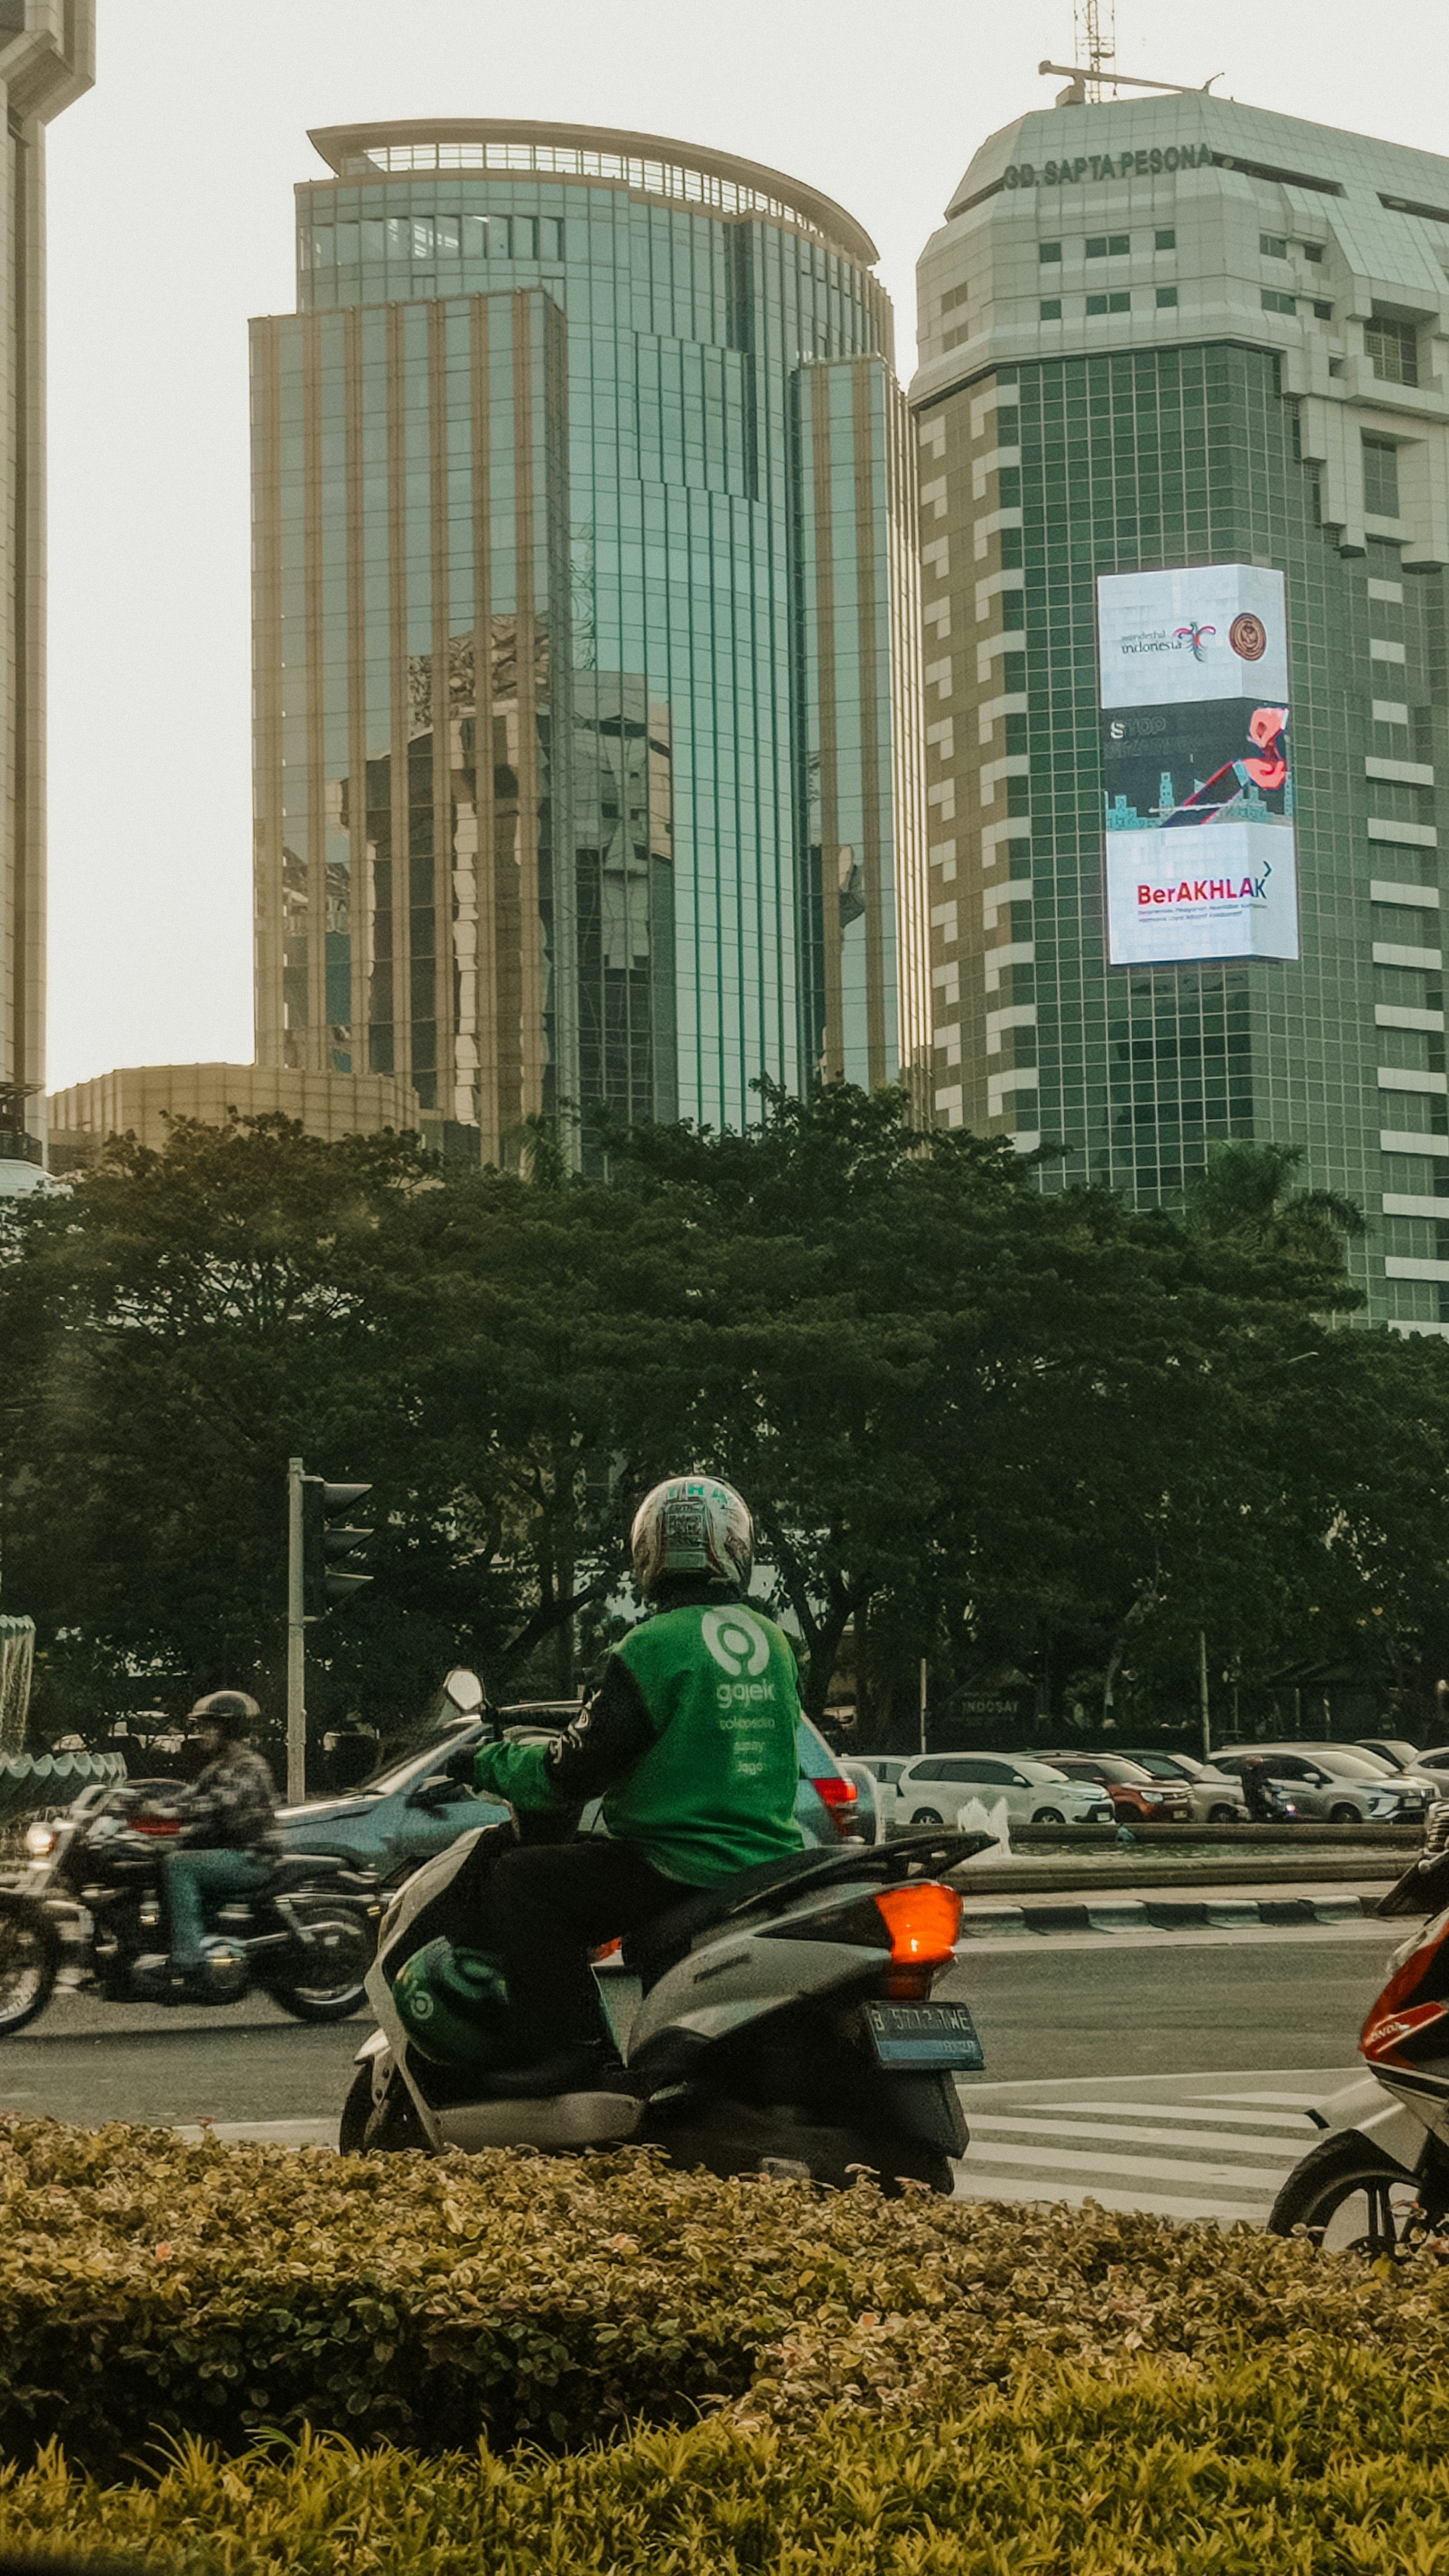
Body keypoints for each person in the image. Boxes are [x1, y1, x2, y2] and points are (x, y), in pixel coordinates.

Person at [446, 1475, 806, 2092]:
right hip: (770, 1859)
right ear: (736, 1548)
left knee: (520, 1880)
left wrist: (485, 1762)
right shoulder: (773, 1641)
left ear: (651, 1553)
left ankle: (575, 2055)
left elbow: (567, 1777)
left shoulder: (651, 1646)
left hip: (676, 1864)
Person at [152, 1690, 280, 1990]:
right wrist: (137, 1800)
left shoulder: (249, 1766)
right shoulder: (220, 1766)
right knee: (155, 1854)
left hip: (252, 1857)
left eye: (208, 1726)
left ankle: (187, 1958)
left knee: (178, 1866)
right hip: (228, 1851)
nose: (201, 1733)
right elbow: (187, 1795)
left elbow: (217, 1804)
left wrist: (165, 1813)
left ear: (229, 1729)